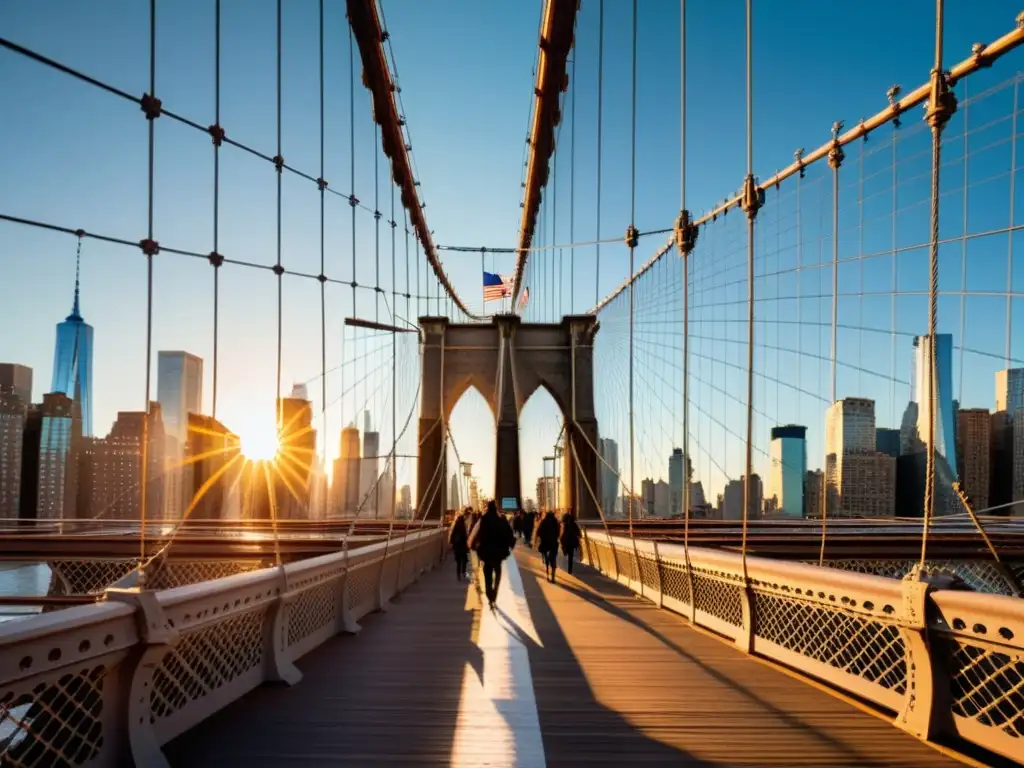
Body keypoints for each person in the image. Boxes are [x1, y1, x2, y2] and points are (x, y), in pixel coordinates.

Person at [468, 500, 515, 609]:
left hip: (486, 552)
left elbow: (475, 532)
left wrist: (471, 544)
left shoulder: (483, 519)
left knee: (487, 574)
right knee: (498, 573)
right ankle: (494, 593)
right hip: (498, 553)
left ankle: (489, 595)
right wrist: (510, 545)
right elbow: (509, 533)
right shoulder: (501, 519)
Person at [534, 509, 560, 582]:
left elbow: (539, 532)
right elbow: (558, 533)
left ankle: (547, 575)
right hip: (554, 544)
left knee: (546, 560)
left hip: (545, 543)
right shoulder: (555, 522)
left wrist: (537, 540)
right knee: (553, 559)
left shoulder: (543, 522)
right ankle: (553, 577)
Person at [448, 508, 471, 581]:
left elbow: (452, 534)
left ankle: (458, 574)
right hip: (463, 546)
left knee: (458, 561)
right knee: (464, 560)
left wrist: (451, 542)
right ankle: (463, 572)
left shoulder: (456, 524)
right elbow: (466, 536)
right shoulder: (464, 526)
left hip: (457, 546)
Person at [560, 509, 582, 575]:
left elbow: (562, 534)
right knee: (571, 556)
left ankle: (565, 552)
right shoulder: (574, 524)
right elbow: (578, 532)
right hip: (572, 542)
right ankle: (570, 570)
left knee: (567, 552)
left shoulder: (565, 525)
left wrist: (561, 540)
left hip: (567, 542)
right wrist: (578, 536)